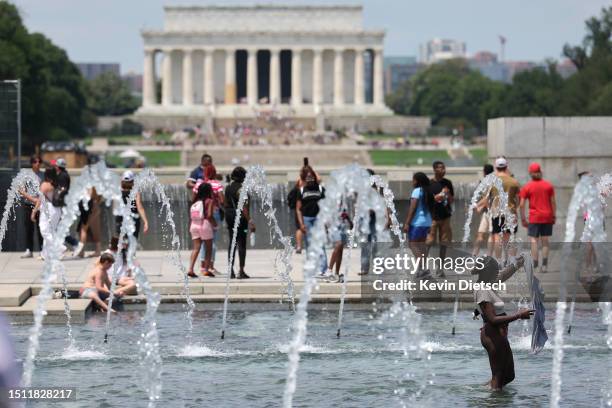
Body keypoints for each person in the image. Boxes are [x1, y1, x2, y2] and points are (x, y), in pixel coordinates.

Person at [471, 255, 532, 390]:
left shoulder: (487, 282)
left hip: (498, 334)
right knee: (498, 378)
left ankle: (485, 390)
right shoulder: (482, 290)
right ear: (489, 272)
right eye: (495, 270)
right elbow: (492, 319)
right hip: (492, 336)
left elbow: (504, 275)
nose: (498, 272)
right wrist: (519, 315)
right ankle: (493, 401)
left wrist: (517, 264)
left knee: (509, 375)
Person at [520, 163, 556, 273]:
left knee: (534, 240)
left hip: (534, 217)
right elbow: (553, 202)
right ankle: (544, 265)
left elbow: (521, 204)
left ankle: (535, 265)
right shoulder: (548, 185)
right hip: (547, 216)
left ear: (530, 173)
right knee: (545, 241)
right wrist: (554, 215)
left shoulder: (527, 187)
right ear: (540, 172)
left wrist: (523, 218)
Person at [193, 164, 224, 274]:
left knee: (201, 241)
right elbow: (222, 200)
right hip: (212, 212)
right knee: (212, 240)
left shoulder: (199, 184)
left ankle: (202, 266)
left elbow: (194, 198)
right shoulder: (217, 184)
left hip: (199, 213)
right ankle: (210, 266)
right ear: (214, 173)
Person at [225, 166, 256, 279]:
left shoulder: (228, 187)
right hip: (240, 218)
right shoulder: (243, 189)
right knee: (242, 243)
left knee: (232, 243)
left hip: (229, 216)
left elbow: (225, 203)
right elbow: (244, 207)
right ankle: (241, 271)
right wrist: (250, 221)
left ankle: (230, 271)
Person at [296, 169, 328, 278]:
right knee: (309, 245)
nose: (310, 179)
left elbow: (325, 206)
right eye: (308, 177)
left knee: (321, 244)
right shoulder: (301, 190)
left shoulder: (320, 189)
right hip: (307, 219)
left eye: (312, 177)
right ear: (305, 179)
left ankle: (323, 269)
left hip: (319, 219)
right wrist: (301, 224)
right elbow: (298, 209)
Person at [489, 157, 520, 261]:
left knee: (497, 237)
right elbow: (518, 199)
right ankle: (510, 261)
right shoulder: (514, 181)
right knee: (510, 238)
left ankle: (498, 261)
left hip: (497, 213)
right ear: (506, 167)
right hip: (510, 212)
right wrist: (515, 210)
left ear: (496, 167)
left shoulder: (492, 181)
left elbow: (487, 199)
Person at [288, 158, 322, 254]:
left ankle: (299, 247)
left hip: (300, 207)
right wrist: (313, 170)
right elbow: (319, 179)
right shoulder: (304, 182)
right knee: (301, 228)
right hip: (303, 208)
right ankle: (302, 246)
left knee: (299, 227)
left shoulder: (300, 180)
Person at [403, 172, 434, 278]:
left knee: (412, 245)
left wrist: (407, 223)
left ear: (416, 180)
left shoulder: (416, 191)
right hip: (427, 222)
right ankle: (422, 269)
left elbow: (413, 208)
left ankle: (424, 269)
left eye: (413, 179)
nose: (412, 181)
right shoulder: (428, 191)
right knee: (421, 246)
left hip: (416, 223)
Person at [427, 161, 454, 277]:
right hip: (432, 217)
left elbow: (452, 200)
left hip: (445, 217)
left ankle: (440, 268)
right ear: (434, 170)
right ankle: (422, 267)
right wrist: (437, 197)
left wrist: (447, 195)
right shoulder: (429, 184)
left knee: (444, 242)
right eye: (440, 168)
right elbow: (426, 200)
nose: (443, 170)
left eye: (444, 168)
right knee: (429, 242)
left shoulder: (447, 183)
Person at [32, 168, 63, 259]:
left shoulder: (45, 184)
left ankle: (59, 247)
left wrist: (34, 211)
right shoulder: (57, 184)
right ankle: (45, 254)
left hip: (48, 209)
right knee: (51, 231)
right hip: (57, 210)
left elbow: (40, 200)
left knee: (44, 230)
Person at [188, 182, 216, 277]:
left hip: (194, 225)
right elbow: (209, 215)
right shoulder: (209, 201)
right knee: (208, 248)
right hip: (205, 224)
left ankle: (190, 269)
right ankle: (205, 270)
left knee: (196, 248)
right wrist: (215, 224)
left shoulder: (195, 202)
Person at [19, 155, 43, 258]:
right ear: (32, 163)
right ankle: (29, 249)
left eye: (39, 162)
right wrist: (32, 199)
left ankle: (42, 250)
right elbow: (20, 190)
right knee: (29, 228)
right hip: (28, 204)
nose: (37, 164)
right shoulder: (26, 175)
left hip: (40, 205)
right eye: (35, 162)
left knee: (41, 228)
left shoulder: (43, 175)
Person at [114, 171, 149, 241]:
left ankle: (122, 250)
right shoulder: (135, 192)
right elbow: (140, 207)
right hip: (134, 220)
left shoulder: (117, 191)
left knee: (121, 240)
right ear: (133, 181)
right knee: (132, 242)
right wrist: (145, 221)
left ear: (122, 181)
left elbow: (115, 208)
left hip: (121, 219)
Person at [52, 157, 79, 250]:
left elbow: (63, 189)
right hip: (63, 205)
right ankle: (63, 247)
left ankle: (76, 245)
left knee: (62, 230)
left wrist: (56, 197)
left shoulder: (62, 176)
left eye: (56, 165)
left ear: (58, 167)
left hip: (63, 206)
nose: (54, 167)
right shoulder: (63, 174)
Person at [327, 200, 353, 283]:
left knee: (340, 250)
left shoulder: (343, 202)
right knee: (339, 244)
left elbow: (344, 214)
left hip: (342, 227)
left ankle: (336, 274)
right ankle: (329, 271)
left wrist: (349, 221)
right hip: (334, 226)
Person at [472, 164, 495, 256]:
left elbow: (486, 198)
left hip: (489, 212)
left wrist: (477, 206)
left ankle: (474, 254)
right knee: (490, 235)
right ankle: (488, 255)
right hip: (491, 211)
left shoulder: (483, 182)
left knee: (481, 235)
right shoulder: (494, 181)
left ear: (484, 172)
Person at [73, 187, 102, 258]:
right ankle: (96, 250)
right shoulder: (95, 181)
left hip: (90, 206)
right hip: (91, 206)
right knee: (87, 229)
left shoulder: (92, 182)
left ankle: (81, 251)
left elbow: (94, 195)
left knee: (83, 229)